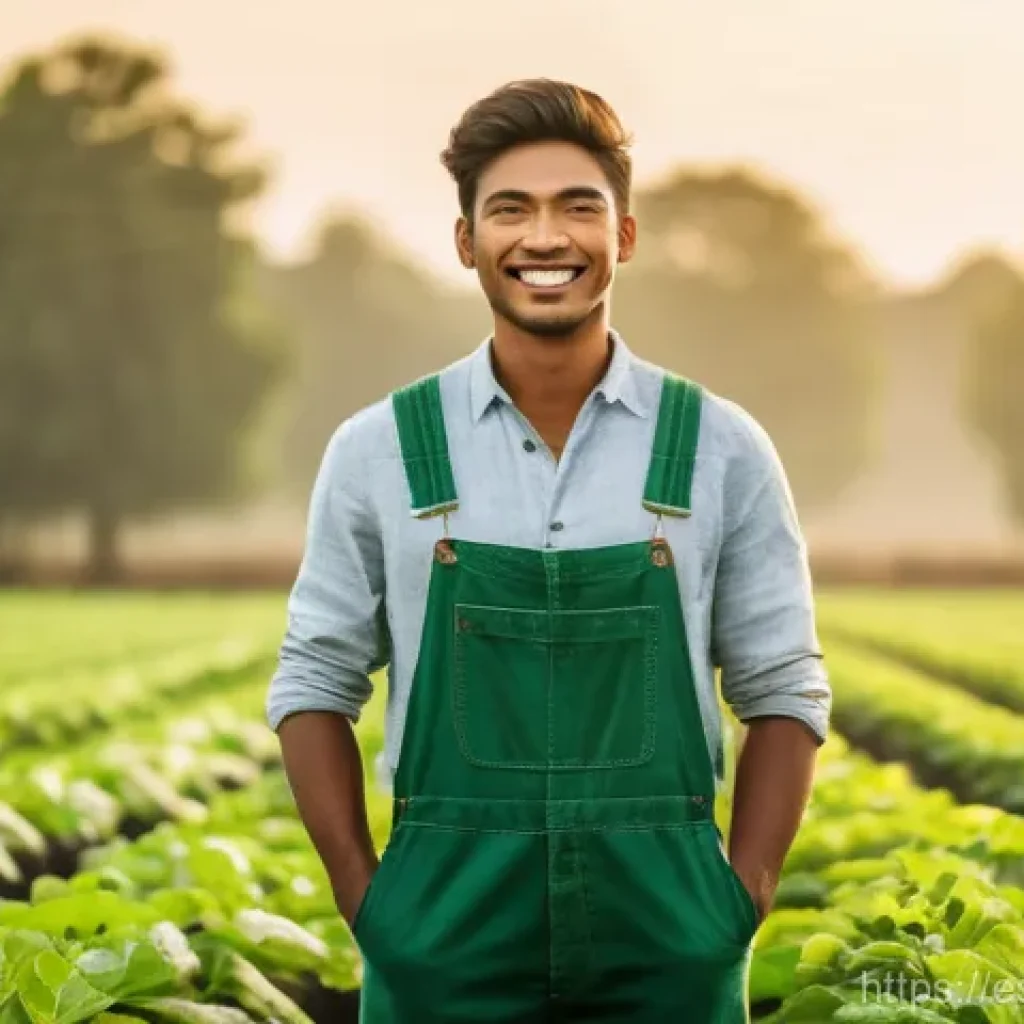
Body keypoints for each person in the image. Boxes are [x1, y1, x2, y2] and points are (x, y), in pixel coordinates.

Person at [267, 78, 832, 1023]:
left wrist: (740, 901)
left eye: (579, 208)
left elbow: (783, 687)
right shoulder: (378, 448)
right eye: (509, 210)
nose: (545, 239)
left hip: (669, 942)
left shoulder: (721, 445)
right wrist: (370, 905)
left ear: (624, 235)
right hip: (440, 938)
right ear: (466, 243)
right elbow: (314, 681)